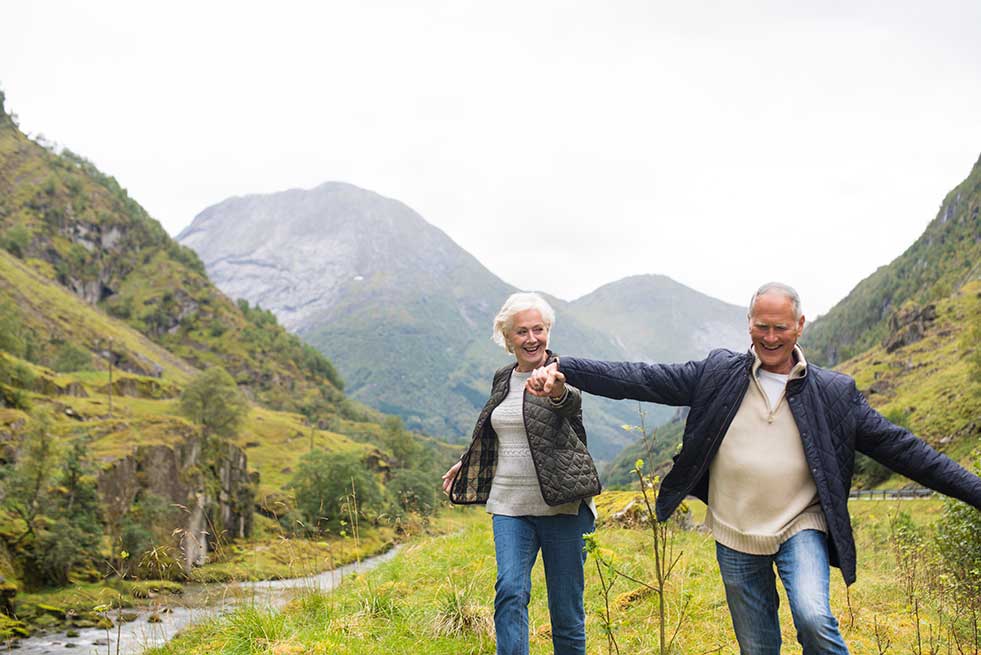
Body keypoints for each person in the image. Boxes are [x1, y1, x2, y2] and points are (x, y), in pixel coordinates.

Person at [526, 281, 981, 655]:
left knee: (813, 616)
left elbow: (904, 449)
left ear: (799, 326)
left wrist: (975, 491)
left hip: (801, 523)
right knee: (758, 646)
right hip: (734, 529)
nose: (769, 336)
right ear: (749, 324)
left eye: (780, 327)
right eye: (761, 326)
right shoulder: (719, 374)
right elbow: (642, 378)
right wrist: (564, 366)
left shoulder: (834, 393)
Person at [442, 291, 601, 655]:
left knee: (566, 612)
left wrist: (557, 390)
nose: (532, 339)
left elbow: (569, 404)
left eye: (539, 330)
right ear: (507, 338)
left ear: (548, 332)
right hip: (510, 507)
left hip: (563, 509)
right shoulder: (502, 378)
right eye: (522, 332)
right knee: (511, 590)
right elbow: (497, 428)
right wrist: (467, 461)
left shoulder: (562, 374)